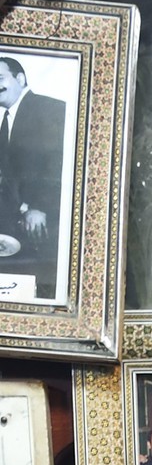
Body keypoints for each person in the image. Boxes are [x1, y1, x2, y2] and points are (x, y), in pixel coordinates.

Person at [0, 53, 67, 296]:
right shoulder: (6, 119)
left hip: (44, 224)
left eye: (0, 78)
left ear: (20, 78)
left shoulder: (50, 107)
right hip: (16, 224)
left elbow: (60, 161)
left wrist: (40, 207)